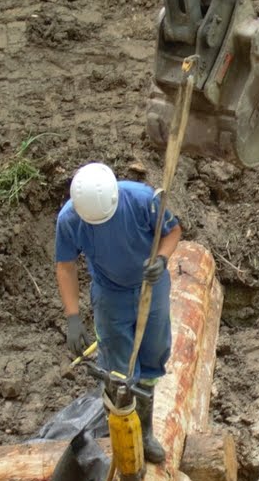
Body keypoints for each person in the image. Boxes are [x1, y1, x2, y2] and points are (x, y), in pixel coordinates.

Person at [54, 161, 182, 463]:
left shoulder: (142, 200)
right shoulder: (71, 219)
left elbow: (173, 232)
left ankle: (146, 432)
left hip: (152, 285)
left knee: (153, 354)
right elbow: (66, 266)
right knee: (118, 373)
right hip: (111, 294)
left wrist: (161, 260)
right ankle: (125, 444)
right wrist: (72, 317)